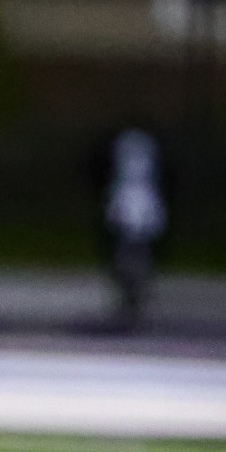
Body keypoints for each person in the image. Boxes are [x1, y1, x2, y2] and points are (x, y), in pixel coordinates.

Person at [92, 126, 170, 330]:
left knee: (136, 268)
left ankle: (135, 303)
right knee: (125, 268)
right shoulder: (126, 185)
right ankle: (128, 303)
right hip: (128, 233)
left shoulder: (140, 185)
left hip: (137, 233)